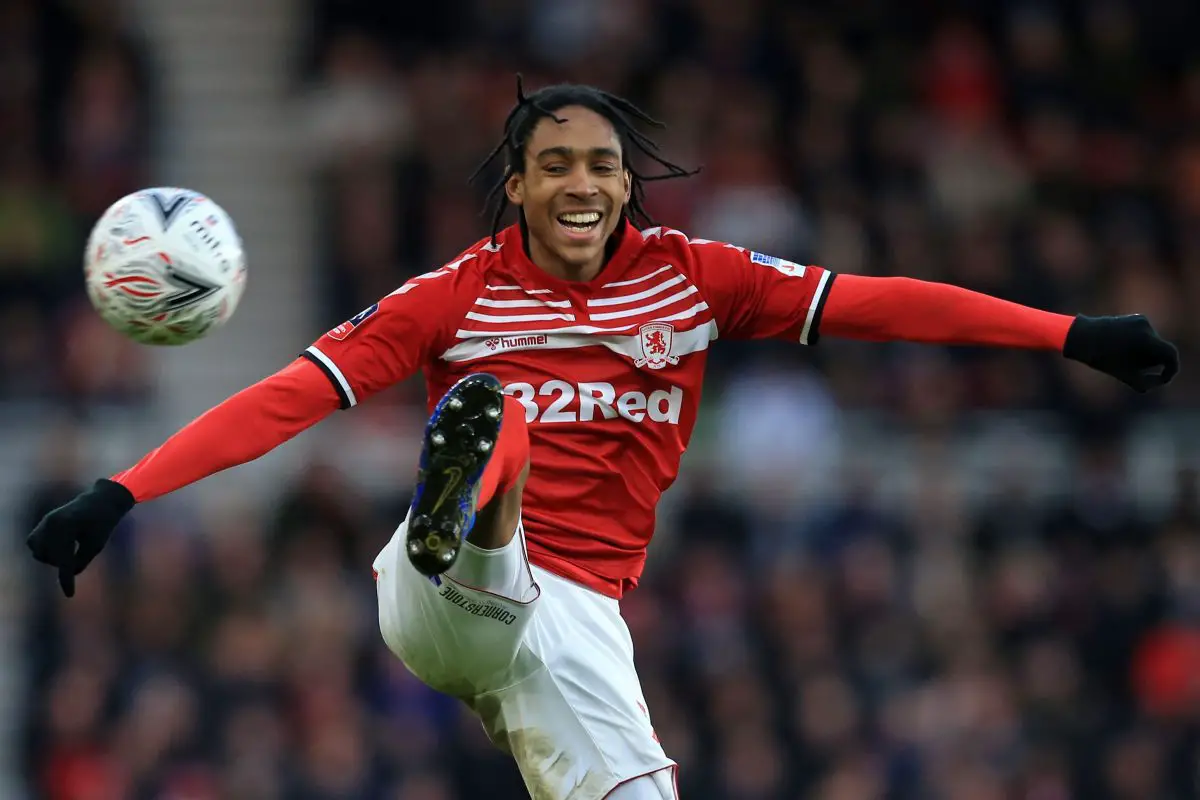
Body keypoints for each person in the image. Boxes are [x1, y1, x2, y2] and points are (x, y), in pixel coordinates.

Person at [27, 79, 1179, 800]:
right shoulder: (452, 298)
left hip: (571, 625)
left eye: (603, 163)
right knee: (497, 417)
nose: (583, 181)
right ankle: (472, 492)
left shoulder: (697, 278)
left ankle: (477, 485)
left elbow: (880, 301)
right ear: (517, 185)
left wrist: (1068, 330)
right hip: (440, 590)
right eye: (555, 164)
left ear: (628, 180)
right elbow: (288, 396)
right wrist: (124, 491)